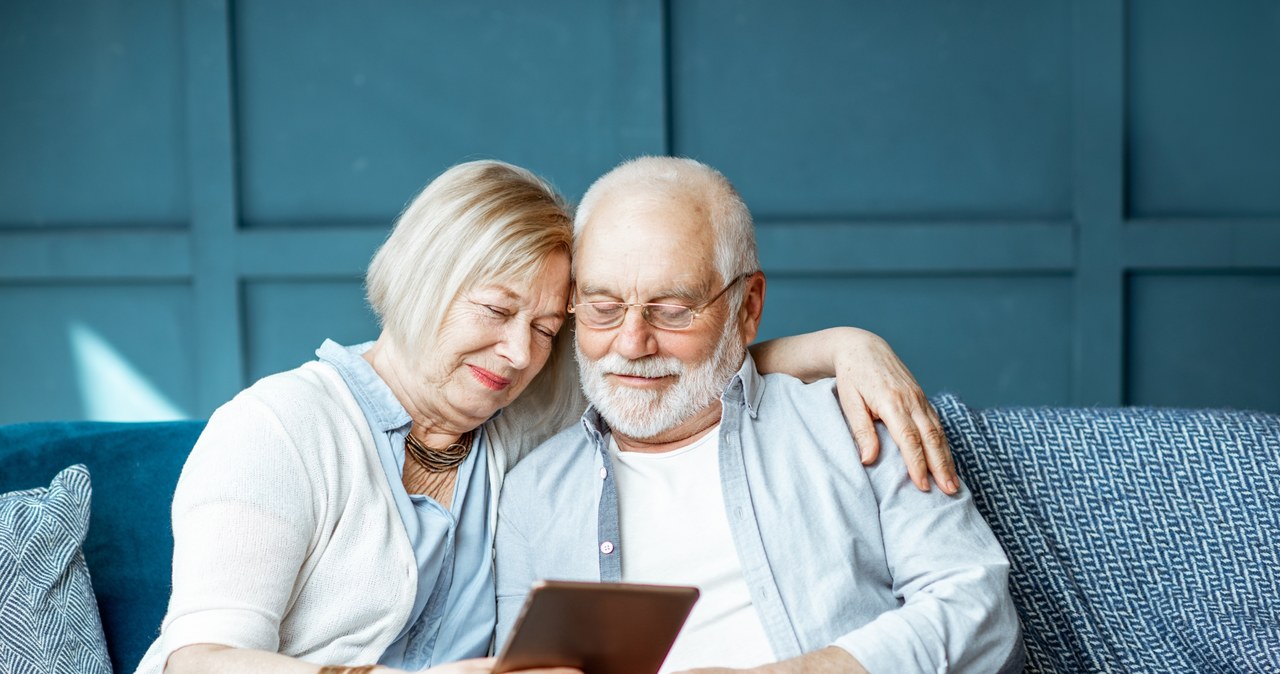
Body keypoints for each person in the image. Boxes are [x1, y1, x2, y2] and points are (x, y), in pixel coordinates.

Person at [137, 160, 954, 674]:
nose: (518, 353)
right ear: (421, 281)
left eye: (547, 327)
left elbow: (664, 367)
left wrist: (842, 346)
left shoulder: (510, 419)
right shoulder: (278, 428)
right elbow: (196, 657)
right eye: (493, 310)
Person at [495, 157, 1024, 673]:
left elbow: (979, 613)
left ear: (747, 308)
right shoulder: (531, 495)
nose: (631, 344)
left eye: (674, 311)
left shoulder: (855, 422)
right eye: (603, 308)